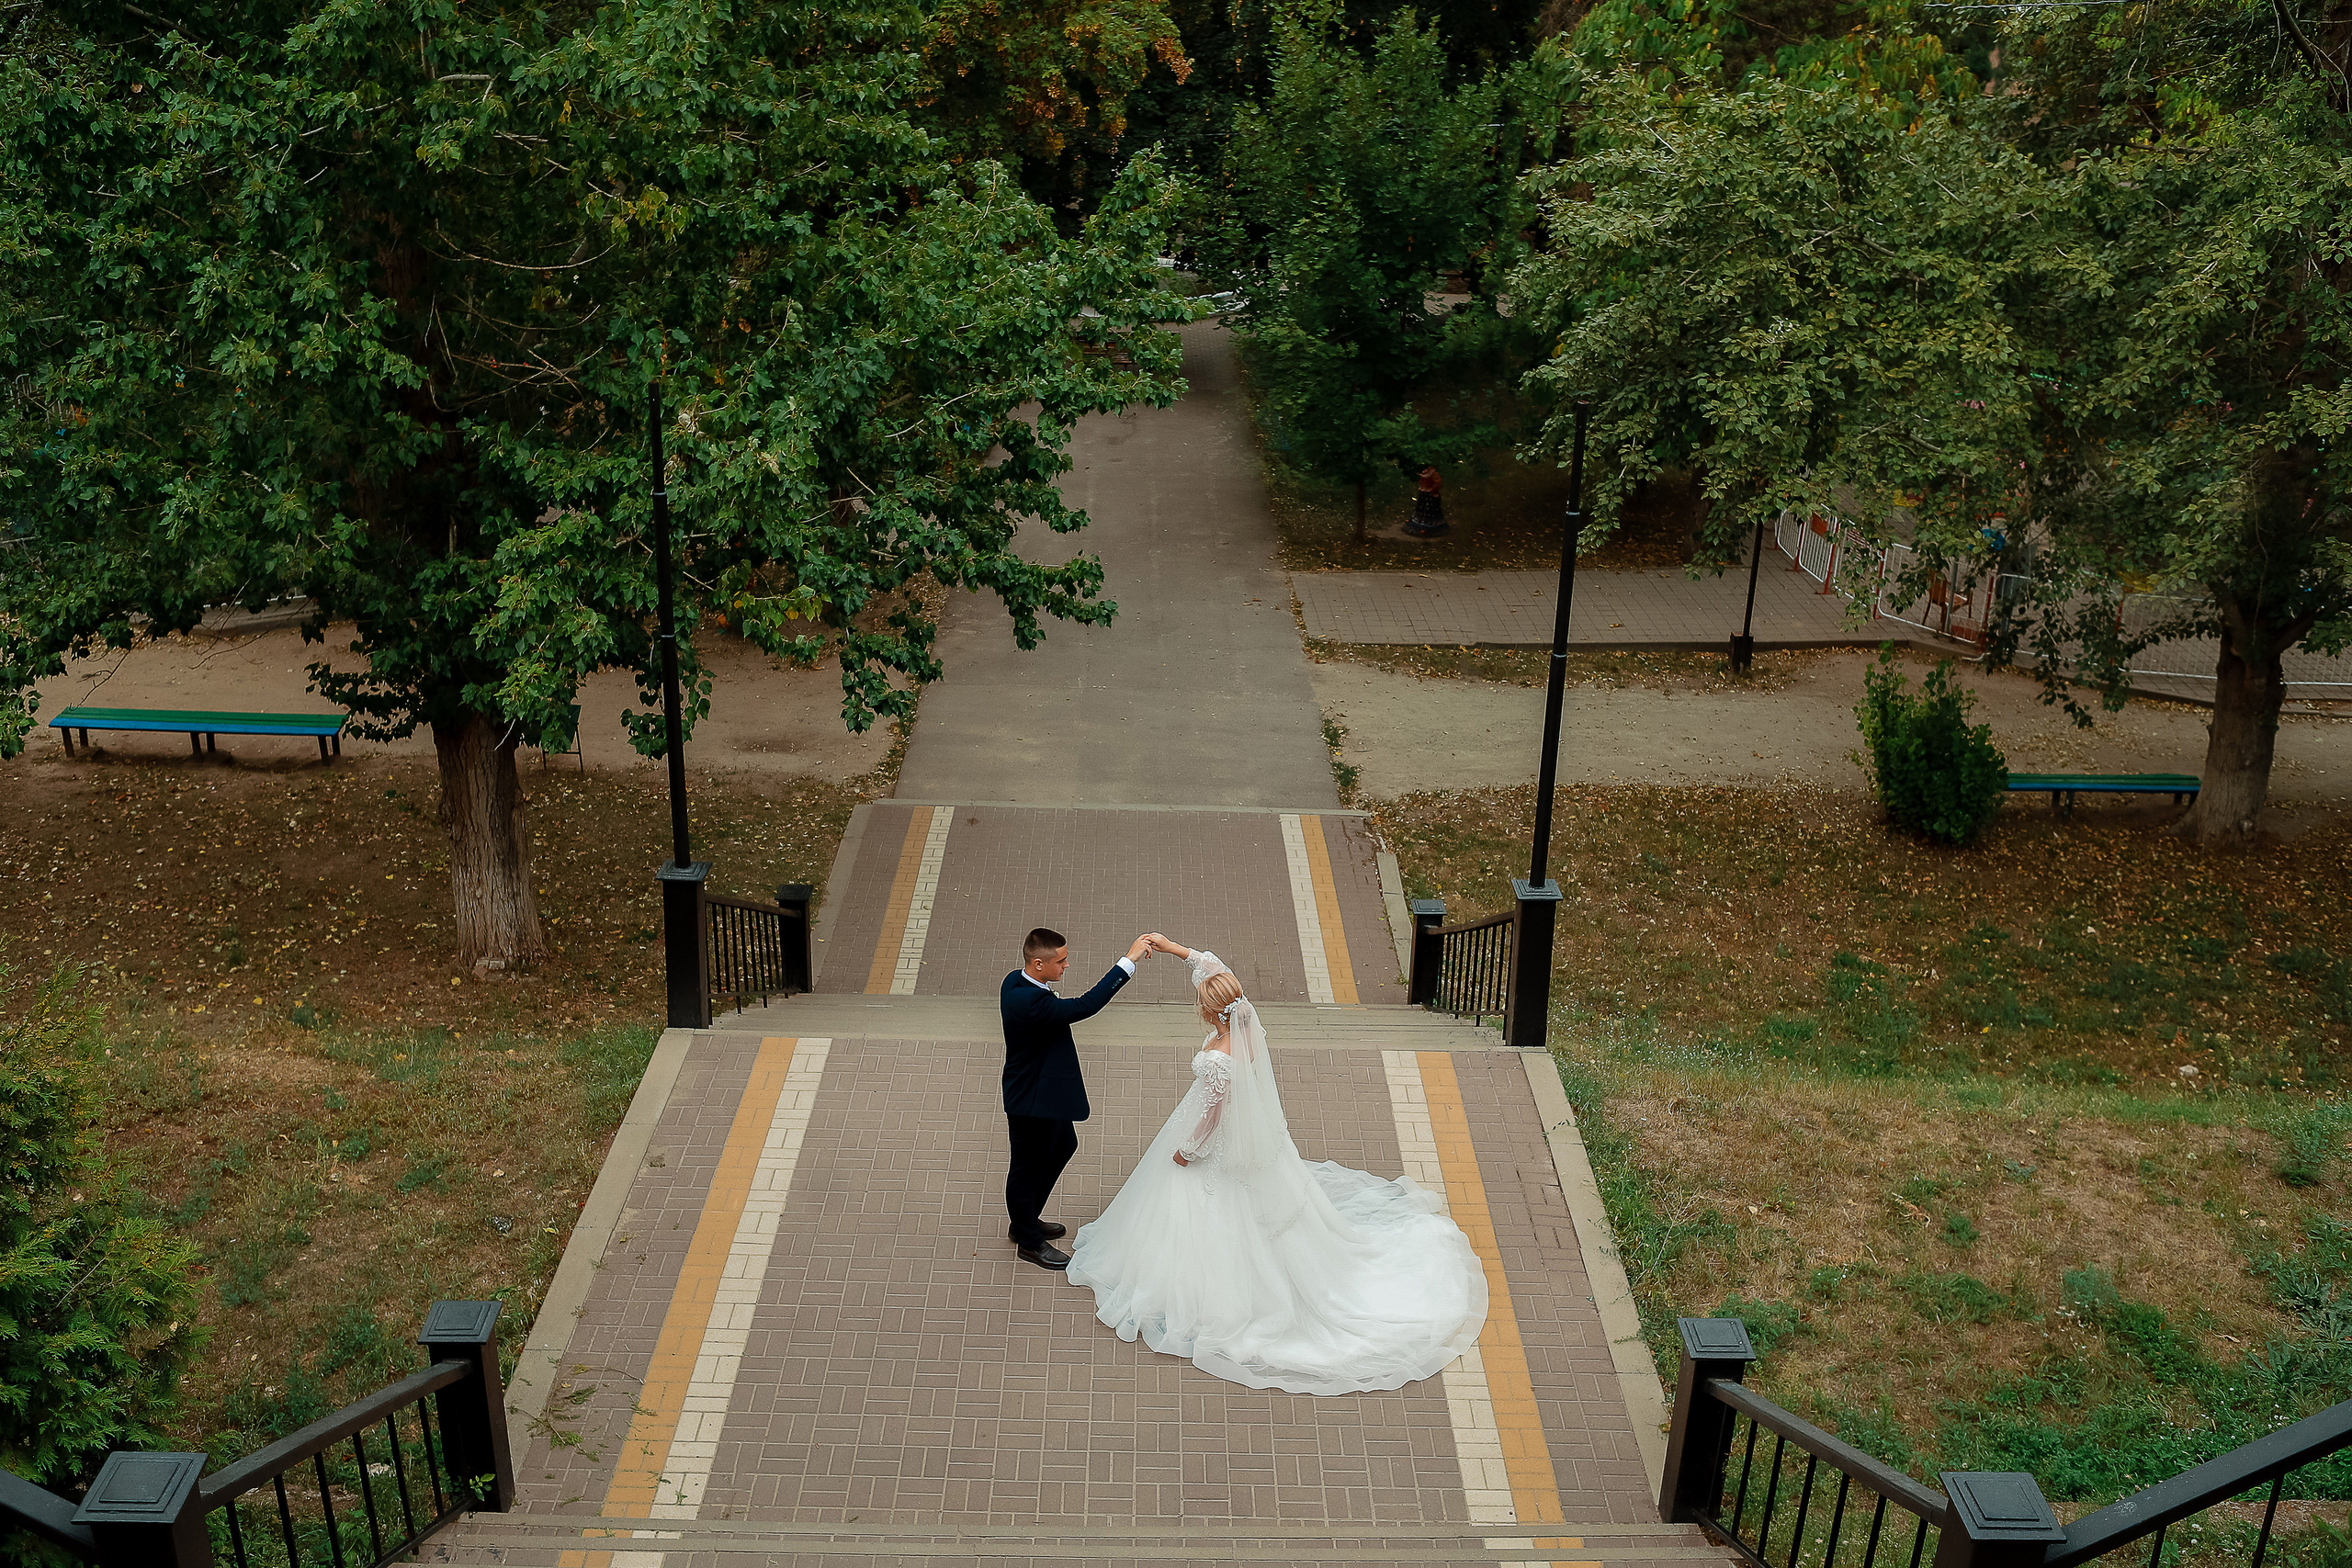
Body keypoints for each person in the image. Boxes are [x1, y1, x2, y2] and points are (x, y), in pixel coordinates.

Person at [1065, 938, 1488, 1393]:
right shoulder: (1242, 1018)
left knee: (1203, 1209)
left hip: (1214, 1146)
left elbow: (1212, 1117)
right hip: (1251, 1144)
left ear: (1212, 1014)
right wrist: (1169, 948)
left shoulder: (1218, 1059)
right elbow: (1210, 964)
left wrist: (1187, 1150)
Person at [1001, 926, 1152, 1270]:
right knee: (1026, 1168)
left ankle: (1025, 1219)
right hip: (1030, 1101)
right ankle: (1027, 1239)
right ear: (1039, 964)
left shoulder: (1016, 980)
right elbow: (1087, 1005)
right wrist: (1128, 961)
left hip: (1044, 1091)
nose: (1066, 966)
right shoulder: (1029, 1002)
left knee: (1064, 1144)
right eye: (1061, 961)